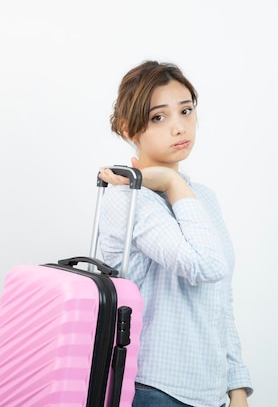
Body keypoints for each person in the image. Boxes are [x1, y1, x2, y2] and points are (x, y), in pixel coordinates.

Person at [97, 60, 253, 407]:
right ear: (128, 129)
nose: (179, 127)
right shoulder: (127, 200)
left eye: (186, 111)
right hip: (153, 390)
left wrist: (236, 388)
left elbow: (220, 299)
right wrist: (169, 180)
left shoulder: (202, 198)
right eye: (159, 117)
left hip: (211, 395)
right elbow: (205, 265)